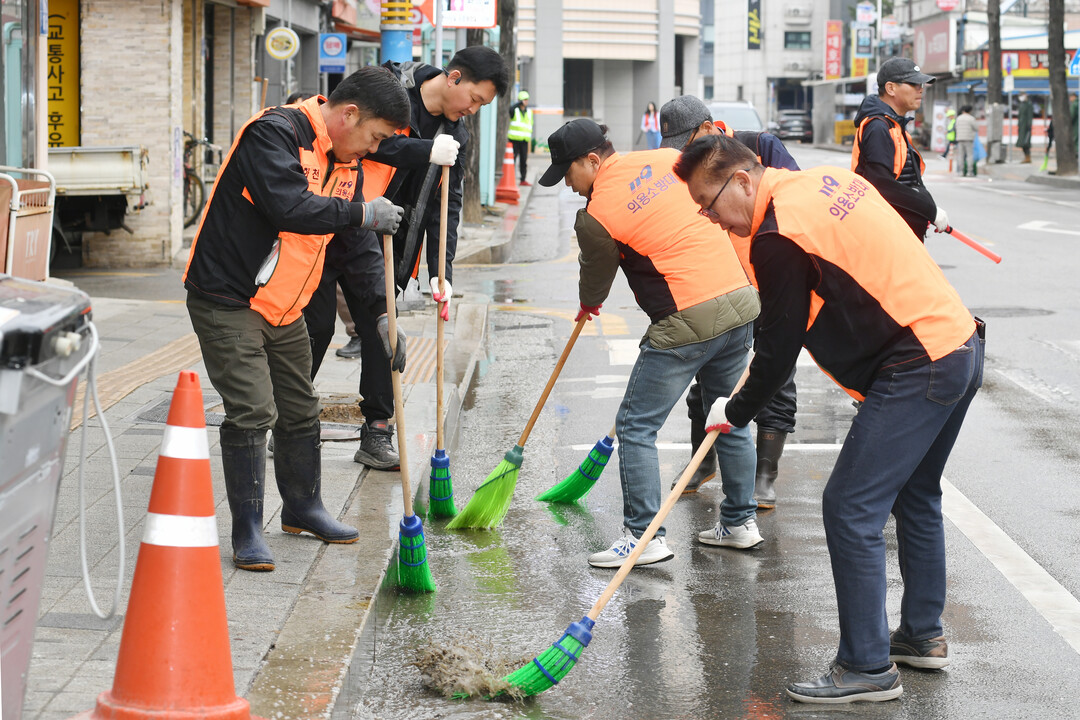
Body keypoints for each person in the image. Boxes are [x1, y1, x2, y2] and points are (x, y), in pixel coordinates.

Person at [674, 133, 983, 704]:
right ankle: (920, 635)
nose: (710, 218)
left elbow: (778, 347)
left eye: (709, 204)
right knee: (915, 495)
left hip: (918, 364)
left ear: (743, 180)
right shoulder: (820, 180)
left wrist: (732, 412)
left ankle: (866, 666)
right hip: (957, 342)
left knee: (850, 506)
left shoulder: (775, 235)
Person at [183, 67, 412, 572]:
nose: (371, 149)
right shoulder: (275, 133)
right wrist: (362, 214)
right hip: (229, 298)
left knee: (300, 410)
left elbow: (357, 248)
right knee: (252, 410)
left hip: (285, 306)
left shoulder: (345, 162)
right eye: (373, 136)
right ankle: (246, 530)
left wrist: (379, 315)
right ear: (349, 114)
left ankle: (302, 509)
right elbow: (289, 206)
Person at [538, 118, 763, 568]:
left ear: (593, 160)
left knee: (637, 425)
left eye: (568, 173)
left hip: (687, 317)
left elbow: (597, 272)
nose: (568, 184)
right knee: (728, 414)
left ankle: (643, 536)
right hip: (740, 301)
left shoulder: (597, 211)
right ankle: (739, 522)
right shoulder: (669, 159)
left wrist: (589, 304)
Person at [324, 45, 508, 470]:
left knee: (382, 331)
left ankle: (377, 431)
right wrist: (424, 150)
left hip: (390, 245)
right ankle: (292, 423)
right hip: (340, 223)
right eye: (476, 99)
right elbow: (365, 144)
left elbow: (450, 201)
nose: (474, 110)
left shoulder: (458, 132)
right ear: (455, 78)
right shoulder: (392, 91)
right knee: (314, 330)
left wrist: (440, 271)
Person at [658, 94, 798, 508]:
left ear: (707, 128)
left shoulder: (762, 147)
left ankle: (765, 474)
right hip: (720, 288)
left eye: (687, 142)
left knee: (777, 374)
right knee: (709, 375)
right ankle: (702, 462)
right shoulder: (684, 171)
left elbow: (792, 205)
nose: (683, 154)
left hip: (770, 282)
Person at [852, 57, 948, 242]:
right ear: (890, 88)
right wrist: (929, 210)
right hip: (884, 234)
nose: (920, 89)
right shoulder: (878, 126)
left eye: (921, 84)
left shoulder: (894, 124)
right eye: (913, 83)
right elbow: (879, 184)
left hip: (898, 232)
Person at [508, 90, 534, 185]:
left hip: (524, 140)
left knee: (523, 161)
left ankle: (523, 179)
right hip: (514, 139)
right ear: (520, 100)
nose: (526, 101)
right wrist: (517, 104)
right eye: (524, 99)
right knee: (512, 160)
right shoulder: (514, 110)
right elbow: (510, 109)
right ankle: (510, 179)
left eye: (527, 99)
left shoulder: (529, 112)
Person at [953, 105, 977, 177]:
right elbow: (976, 128)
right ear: (970, 111)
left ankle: (960, 171)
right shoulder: (971, 118)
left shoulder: (958, 118)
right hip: (969, 139)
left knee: (960, 155)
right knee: (969, 155)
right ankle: (969, 172)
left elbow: (955, 127)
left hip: (960, 139)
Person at [1016, 94, 1033, 163]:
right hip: (1021, 126)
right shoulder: (1021, 104)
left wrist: (1029, 125)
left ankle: (1028, 157)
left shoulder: (1028, 104)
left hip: (1026, 127)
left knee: (1025, 143)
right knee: (1022, 143)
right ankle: (1026, 157)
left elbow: (1029, 115)